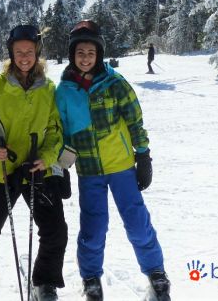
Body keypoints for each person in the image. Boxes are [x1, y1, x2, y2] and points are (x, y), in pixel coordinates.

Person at [55, 20, 170, 301]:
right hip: (89, 171)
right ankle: (91, 277)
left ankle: (155, 271)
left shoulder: (114, 83)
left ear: (99, 55)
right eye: (80, 52)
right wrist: (62, 169)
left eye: (90, 53)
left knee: (137, 223)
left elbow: (134, 120)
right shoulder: (64, 91)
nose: (85, 58)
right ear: (72, 55)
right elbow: (63, 133)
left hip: (121, 167)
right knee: (93, 229)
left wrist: (143, 155)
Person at [0, 24, 68, 301]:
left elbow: (55, 130)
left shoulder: (48, 88)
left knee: (55, 229)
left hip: (37, 169)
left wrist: (47, 158)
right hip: (1, 169)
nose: (24, 57)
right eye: (19, 52)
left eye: (29, 52)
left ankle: (45, 282)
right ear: (11, 53)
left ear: (37, 53)